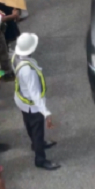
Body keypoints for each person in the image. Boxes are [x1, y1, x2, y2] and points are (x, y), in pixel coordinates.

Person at [12, 33, 60, 170]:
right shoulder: (28, 71)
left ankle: (35, 143)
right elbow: (35, 93)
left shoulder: (16, 58)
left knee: (29, 125)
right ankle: (40, 158)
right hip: (33, 107)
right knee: (37, 131)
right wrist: (46, 112)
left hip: (22, 101)